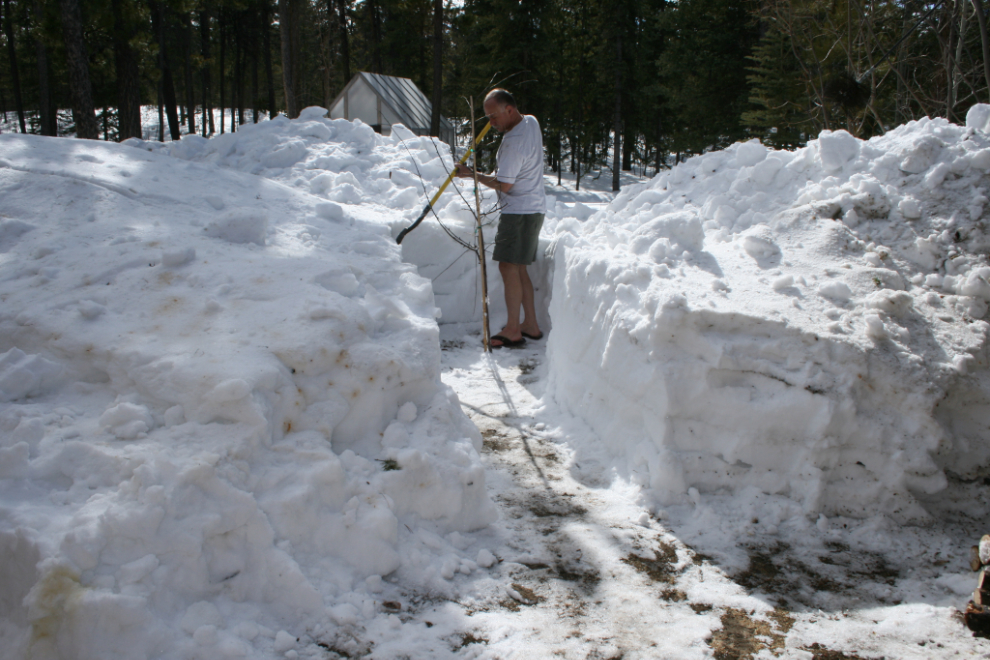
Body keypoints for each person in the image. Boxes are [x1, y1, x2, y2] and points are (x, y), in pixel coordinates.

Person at [455, 89, 546, 349]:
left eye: (493, 116)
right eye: (487, 117)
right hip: (534, 208)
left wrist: (471, 174)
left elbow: (504, 185)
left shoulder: (513, 144)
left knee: (508, 266)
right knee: (518, 268)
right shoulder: (531, 121)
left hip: (518, 212)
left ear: (509, 109)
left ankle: (513, 329)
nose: (490, 123)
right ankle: (531, 324)